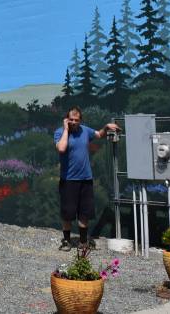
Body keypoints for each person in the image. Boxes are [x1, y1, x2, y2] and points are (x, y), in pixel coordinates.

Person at [54, 107, 119, 250]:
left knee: (84, 213)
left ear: (80, 120)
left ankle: (83, 242)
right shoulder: (60, 132)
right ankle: (66, 241)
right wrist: (66, 129)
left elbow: (99, 135)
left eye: (76, 120)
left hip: (85, 179)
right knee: (67, 213)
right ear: (66, 119)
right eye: (71, 119)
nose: (73, 122)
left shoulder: (85, 130)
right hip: (68, 180)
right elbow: (61, 149)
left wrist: (106, 127)